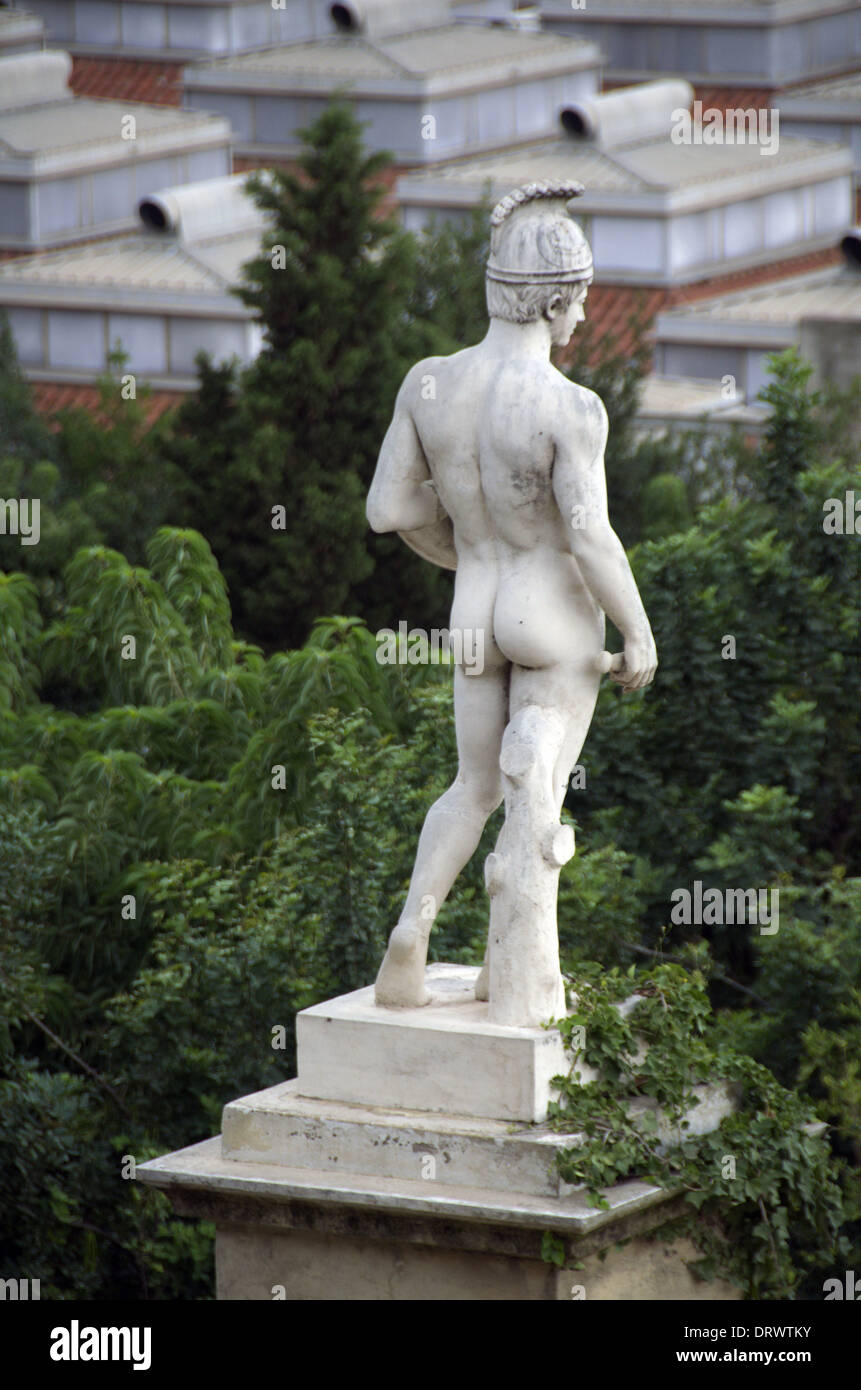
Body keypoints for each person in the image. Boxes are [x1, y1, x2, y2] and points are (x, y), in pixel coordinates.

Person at [366, 180, 657, 1012]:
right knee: (538, 800)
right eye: (581, 301)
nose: (583, 318)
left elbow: (387, 509)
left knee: (472, 787)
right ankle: (519, 980)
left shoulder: (429, 382)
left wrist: (459, 538)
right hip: (552, 616)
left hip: (473, 612)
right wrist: (637, 632)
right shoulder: (571, 406)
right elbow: (590, 534)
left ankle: (414, 930)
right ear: (555, 297)